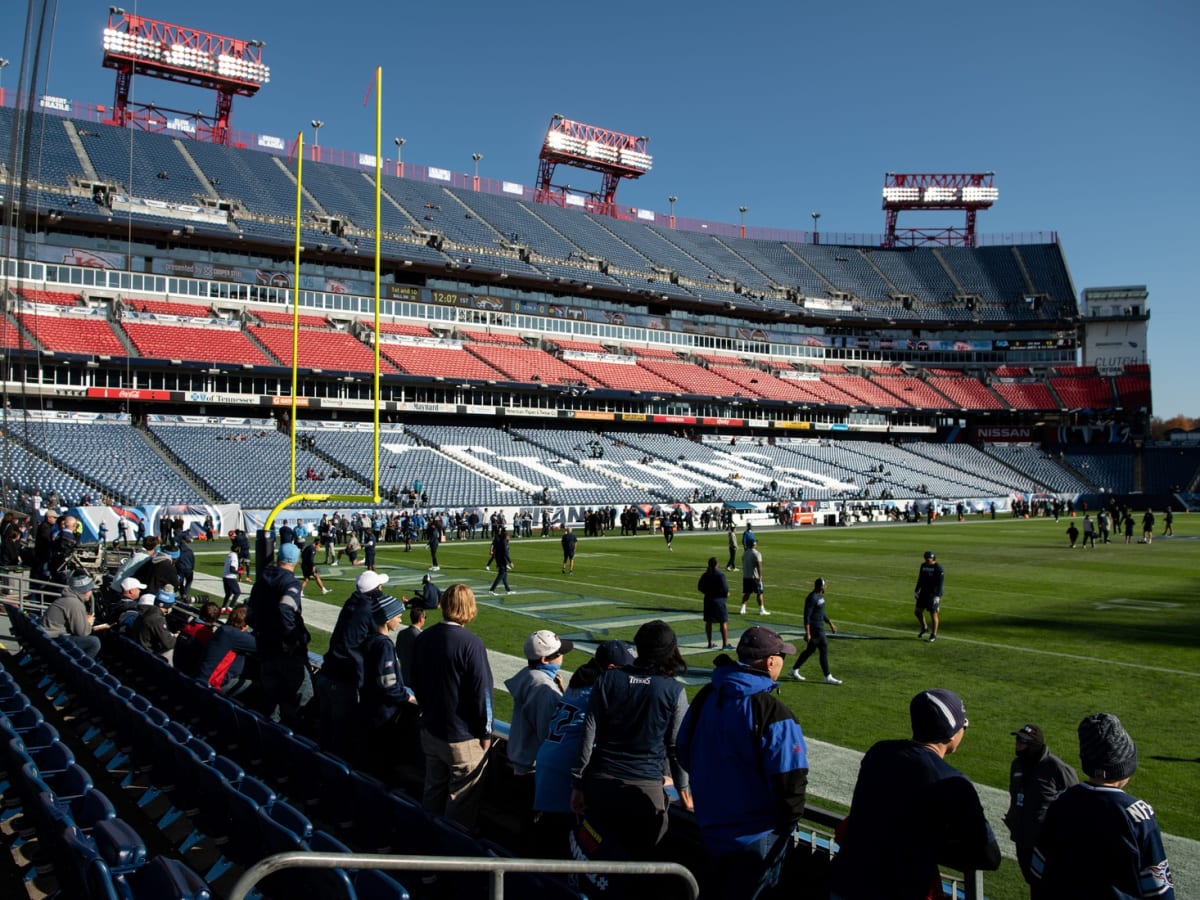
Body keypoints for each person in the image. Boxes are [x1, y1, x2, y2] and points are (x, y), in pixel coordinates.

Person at [829, 689, 1001, 899]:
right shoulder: (952, 782)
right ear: (952, 732)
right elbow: (990, 857)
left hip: (848, 879)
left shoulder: (879, 753)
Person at [678, 626, 810, 900]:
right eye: (781, 656)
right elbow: (791, 781)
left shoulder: (707, 695)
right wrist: (785, 826)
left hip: (710, 826)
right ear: (770, 660)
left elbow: (683, 751)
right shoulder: (773, 712)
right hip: (755, 836)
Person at [570, 620, 692, 899]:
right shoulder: (672, 690)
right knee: (642, 872)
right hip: (643, 791)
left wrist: (577, 783)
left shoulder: (608, 678)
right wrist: (685, 792)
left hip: (601, 782)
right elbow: (675, 747)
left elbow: (588, 735)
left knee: (597, 863)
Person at [1031, 713, 1174, 899]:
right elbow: (1159, 890)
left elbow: (1038, 871)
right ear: (1124, 765)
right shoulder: (1137, 815)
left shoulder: (1061, 804)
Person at [534, 641, 635, 859]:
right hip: (566, 764)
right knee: (564, 845)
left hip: (550, 756)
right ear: (610, 668)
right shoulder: (598, 689)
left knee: (551, 835)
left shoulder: (581, 681)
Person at [409, 584, 493, 832]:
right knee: (460, 804)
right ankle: (448, 857)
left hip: (432, 729)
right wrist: (486, 733)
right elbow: (483, 694)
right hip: (461, 736)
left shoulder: (424, 636)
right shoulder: (471, 644)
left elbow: (415, 679)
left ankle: (426, 849)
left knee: (432, 792)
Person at [506, 630, 574, 852]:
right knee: (537, 835)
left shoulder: (530, 675)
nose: (562, 656)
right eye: (558, 653)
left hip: (522, 762)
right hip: (535, 770)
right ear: (544, 659)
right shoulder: (543, 689)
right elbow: (550, 734)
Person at [316, 570, 390, 756]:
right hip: (343, 679)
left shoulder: (352, 604)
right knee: (341, 740)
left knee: (325, 735)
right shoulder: (367, 611)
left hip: (328, 673)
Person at [246, 542, 313, 727]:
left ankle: (271, 736)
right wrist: (291, 637)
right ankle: (300, 738)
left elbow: (249, 612)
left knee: (271, 696)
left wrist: (260, 628)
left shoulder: (262, 579)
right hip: (284, 648)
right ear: (296, 561)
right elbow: (285, 608)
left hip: (264, 644)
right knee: (304, 694)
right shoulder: (289, 582)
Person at [1003, 723, 1079, 885]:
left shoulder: (1056, 768)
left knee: (1047, 886)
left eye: (1023, 741)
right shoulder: (1017, 765)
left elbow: (1077, 800)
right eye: (1017, 739)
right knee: (1031, 882)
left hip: (1045, 844)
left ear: (1035, 745)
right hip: (1021, 838)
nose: (1018, 744)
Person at [357, 593, 416, 775]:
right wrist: (405, 696)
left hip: (368, 705)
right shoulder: (384, 645)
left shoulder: (369, 638)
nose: (400, 620)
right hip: (384, 712)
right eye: (398, 616)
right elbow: (387, 683)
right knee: (382, 761)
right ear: (387, 618)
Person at [41, 571, 106, 658]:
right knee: (94, 642)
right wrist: (88, 623)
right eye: (90, 590)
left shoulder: (67, 599)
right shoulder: (75, 604)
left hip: (48, 637)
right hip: (54, 639)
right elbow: (83, 633)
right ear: (85, 591)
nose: (91, 593)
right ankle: (82, 667)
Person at [198, 606, 258, 699]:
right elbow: (264, 646)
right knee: (256, 686)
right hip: (212, 686)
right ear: (246, 625)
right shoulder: (236, 636)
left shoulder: (224, 629)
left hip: (203, 679)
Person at [792, 577, 841, 684]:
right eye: (825, 585)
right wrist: (807, 632)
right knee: (823, 649)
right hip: (816, 629)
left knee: (810, 650)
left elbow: (821, 613)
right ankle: (827, 676)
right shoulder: (812, 598)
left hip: (820, 627)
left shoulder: (820, 597)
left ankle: (794, 669)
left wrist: (830, 623)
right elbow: (807, 616)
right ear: (821, 587)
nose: (827, 587)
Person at [135, 586, 179, 662]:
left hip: (138, 649)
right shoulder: (157, 619)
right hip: (146, 655)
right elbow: (169, 643)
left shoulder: (148, 611)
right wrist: (177, 637)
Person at [697, 556, 732, 650]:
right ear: (717, 564)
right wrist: (725, 594)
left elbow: (700, 587)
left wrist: (707, 592)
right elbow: (725, 589)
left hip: (708, 600)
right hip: (719, 601)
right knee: (723, 622)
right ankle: (725, 644)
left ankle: (710, 643)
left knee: (708, 622)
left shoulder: (705, 575)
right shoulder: (720, 575)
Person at [914, 550, 944, 642]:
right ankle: (924, 628)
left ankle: (933, 635)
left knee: (933, 614)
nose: (927, 560)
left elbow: (940, 583)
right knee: (917, 611)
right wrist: (916, 590)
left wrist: (937, 596)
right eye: (926, 559)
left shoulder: (938, 568)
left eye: (929, 559)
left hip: (933, 594)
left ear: (933, 558)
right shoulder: (923, 566)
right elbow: (920, 578)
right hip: (923, 593)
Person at [394, 605, 425, 686]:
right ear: (421, 619)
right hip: (417, 677)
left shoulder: (402, 633)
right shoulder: (421, 636)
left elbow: (398, 652)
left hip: (404, 674)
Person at [739, 538, 769, 616]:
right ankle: (761, 609)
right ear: (754, 544)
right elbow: (759, 565)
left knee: (747, 593)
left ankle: (742, 608)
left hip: (746, 576)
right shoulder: (757, 553)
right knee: (759, 593)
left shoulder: (745, 553)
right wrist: (760, 576)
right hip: (754, 577)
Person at [488, 530, 514, 595]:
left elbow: (496, 553)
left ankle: (508, 590)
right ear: (506, 537)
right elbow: (505, 554)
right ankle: (492, 590)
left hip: (500, 561)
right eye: (508, 536)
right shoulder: (504, 543)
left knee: (504, 576)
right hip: (502, 561)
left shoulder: (501, 542)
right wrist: (510, 562)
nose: (509, 538)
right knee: (500, 576)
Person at [222, 540, 242, 607]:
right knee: (237, 592)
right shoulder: (234, 556)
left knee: (228, 593)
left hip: (225, 577)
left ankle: (223, 607)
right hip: (230, 577)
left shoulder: (229, 554)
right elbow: (232, 569)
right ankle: (231, 607)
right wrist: (238, 572)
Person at [175, 533, 195, 599]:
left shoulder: (178, 550)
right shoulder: (189, 551)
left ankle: (181, 592)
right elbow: (192, 560)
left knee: (180, 581)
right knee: (189, 581)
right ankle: (185, 593)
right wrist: (192, 568)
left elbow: (176, 559)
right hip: (188, 568)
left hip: (180, 568)